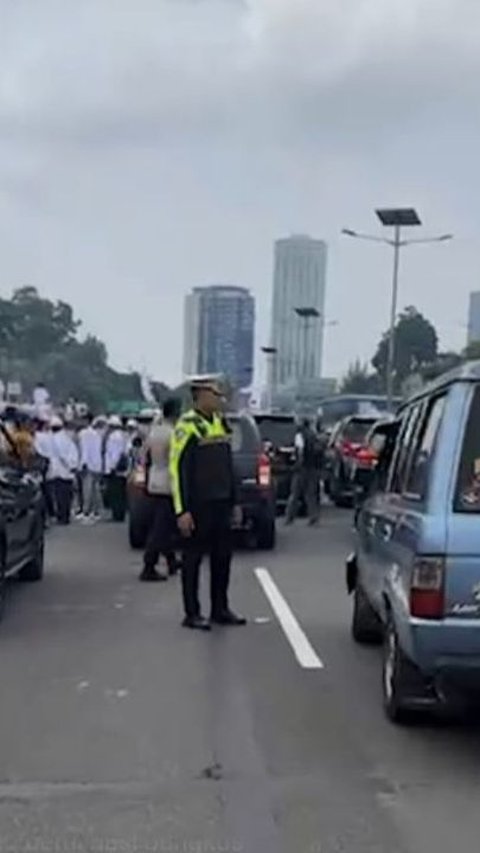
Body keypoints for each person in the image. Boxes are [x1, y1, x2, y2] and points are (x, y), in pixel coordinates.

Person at [169, 376, 246, 631]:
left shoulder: (220, 423)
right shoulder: (187, 425)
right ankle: (192, 613)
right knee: (192, 560)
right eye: (215, 394)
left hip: (221, 502)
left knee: (222, 559)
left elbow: (228, 466)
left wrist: (235, 501)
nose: (219, 399)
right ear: (200, 395)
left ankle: (219, 608)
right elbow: (176, 470)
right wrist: (182, 510)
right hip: (198, 505)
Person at [140, 398, 182, 582]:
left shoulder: (154, 432)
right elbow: (176, 460)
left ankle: (171, 560)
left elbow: (143, 456)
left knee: (164, 524)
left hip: (154, 478)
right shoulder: (173, 434)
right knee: (161, 527)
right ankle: (149, 565)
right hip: (167, 482)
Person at [285, 417, 322, 526]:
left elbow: (300, 451)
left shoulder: (299, 435)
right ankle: (314, 517)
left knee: (295, 494)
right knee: (311, 494)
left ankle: (289, 517)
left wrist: (297, 465)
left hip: (302, 469)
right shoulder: (313, 435)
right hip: (313, 468)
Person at [49, 415, 79, 524]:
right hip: (67, 473)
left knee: (59, 496)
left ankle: (61, 517)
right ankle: (65, 516)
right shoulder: (67, 439)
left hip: (58, 472)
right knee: (67, 496)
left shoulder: (53, 439)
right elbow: (74, 453)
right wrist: (72, 467)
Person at [79, 414, 104, 523]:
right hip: (97, 464)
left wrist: (83, 463)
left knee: (87, 489)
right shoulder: (97, 434)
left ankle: (86, 512)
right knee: (95, 489)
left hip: (88, 464)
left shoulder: (84, 434)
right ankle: (96, 511)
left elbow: (85, 449)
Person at [104, 415, 129, 522]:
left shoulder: (113, 437)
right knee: (121, 493)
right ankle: (120, 514)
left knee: (115, 493)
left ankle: (117, 514)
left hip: (115, 468)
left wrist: (111, 467)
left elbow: (114, 454)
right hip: (122, 468)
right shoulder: (123, 436)